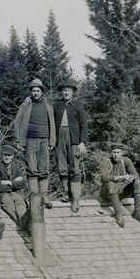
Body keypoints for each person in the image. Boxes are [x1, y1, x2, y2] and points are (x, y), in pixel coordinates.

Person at [13, 78, 56, 209]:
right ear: (31, 92)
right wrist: (19, 141)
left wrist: (52, 141)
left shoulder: (48, 105)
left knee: (44, 168)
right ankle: (35, 196)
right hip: (30, 140)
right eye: (33, 90)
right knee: (32, 169)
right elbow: (17, 123)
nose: (36, 93)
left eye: (38, 90)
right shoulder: (25, 105)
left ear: (42, 92)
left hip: (44, 140)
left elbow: (52, 124)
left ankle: (44, 195)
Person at [52, 80, 88, 213]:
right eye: (64, 90)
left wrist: (82, 142)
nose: (66, 93)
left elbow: (84, 125)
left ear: (72, 92)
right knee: (62, 167)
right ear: (62, 92)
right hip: (59, 138)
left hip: (74, 139)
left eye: (69, 90)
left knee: (75, 168)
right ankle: (67, 194)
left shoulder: (77, 105)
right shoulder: (56, 105)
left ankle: (76, 198)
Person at [99, 143, 140, 228]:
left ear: (122, 153)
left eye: (118, 152)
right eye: (114, 152)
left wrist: (132, 177)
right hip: (107, 193)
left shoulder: (126, 161)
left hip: (119, 191)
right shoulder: (106, 161)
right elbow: (104, 177)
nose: (115, 155)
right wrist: (122, 177)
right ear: (111, 153)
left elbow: (135, 173)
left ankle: (137, 213)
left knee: (137, 183)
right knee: (111, 184)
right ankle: (118, 215)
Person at [0, 144, 30, 230]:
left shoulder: (16, 167)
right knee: (10, 207)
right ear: (2, 155)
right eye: (5, 155)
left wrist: (9, 183)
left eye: (9, 155)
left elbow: (23, 182)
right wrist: (15, 184)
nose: (7, 157)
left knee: (21, 204)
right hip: (2, 194)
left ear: (12, 156)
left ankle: (24, 222)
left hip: (15, 193)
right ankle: (23, 225)